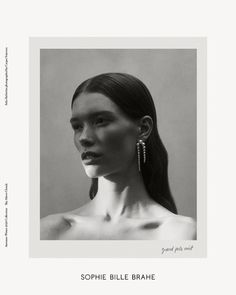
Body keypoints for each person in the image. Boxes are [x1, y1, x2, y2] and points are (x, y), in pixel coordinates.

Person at [40, 72, 196, 240]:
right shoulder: (49, 231)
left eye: (100, 121)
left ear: (143, 129)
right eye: (77, 126)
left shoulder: (180, 234)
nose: (84, 137)